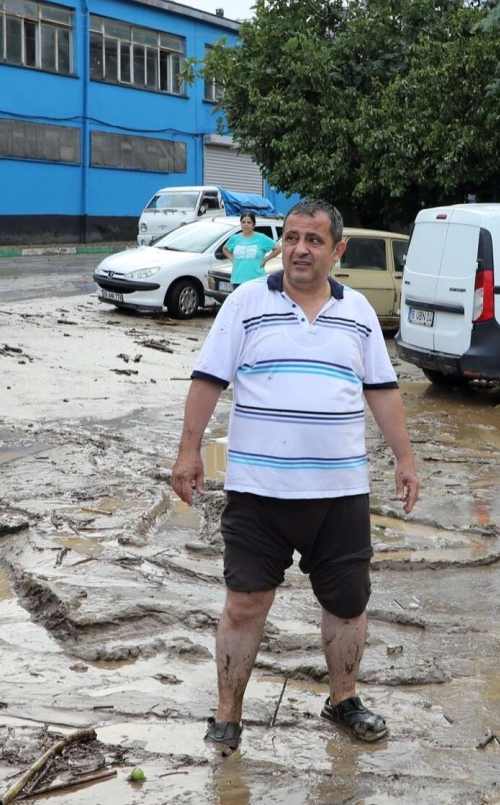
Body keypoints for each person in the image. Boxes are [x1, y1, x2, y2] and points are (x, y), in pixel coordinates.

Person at [172, 197, 419, 751]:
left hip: (341, 494)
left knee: (347, 603)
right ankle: (228, 714)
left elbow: (382, 391)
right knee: (244, 603)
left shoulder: (357, 315)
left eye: (313, 240)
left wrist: (404, 459)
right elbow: (208, 380)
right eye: (291, 238)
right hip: (260, 494)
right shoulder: (244, 304)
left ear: (337, 250)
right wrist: (188, 454)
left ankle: (344, 700)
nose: (300, 250)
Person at [223, 211, 275, 287]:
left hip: (257, 280)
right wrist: (233, 260)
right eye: (243, 222)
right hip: (238, 279)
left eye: (249, 222)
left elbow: (278, 248)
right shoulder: (235, 238)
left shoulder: (261, 238)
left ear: (253, 225)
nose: (246, 224)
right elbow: (225, 249)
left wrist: (265, 260)